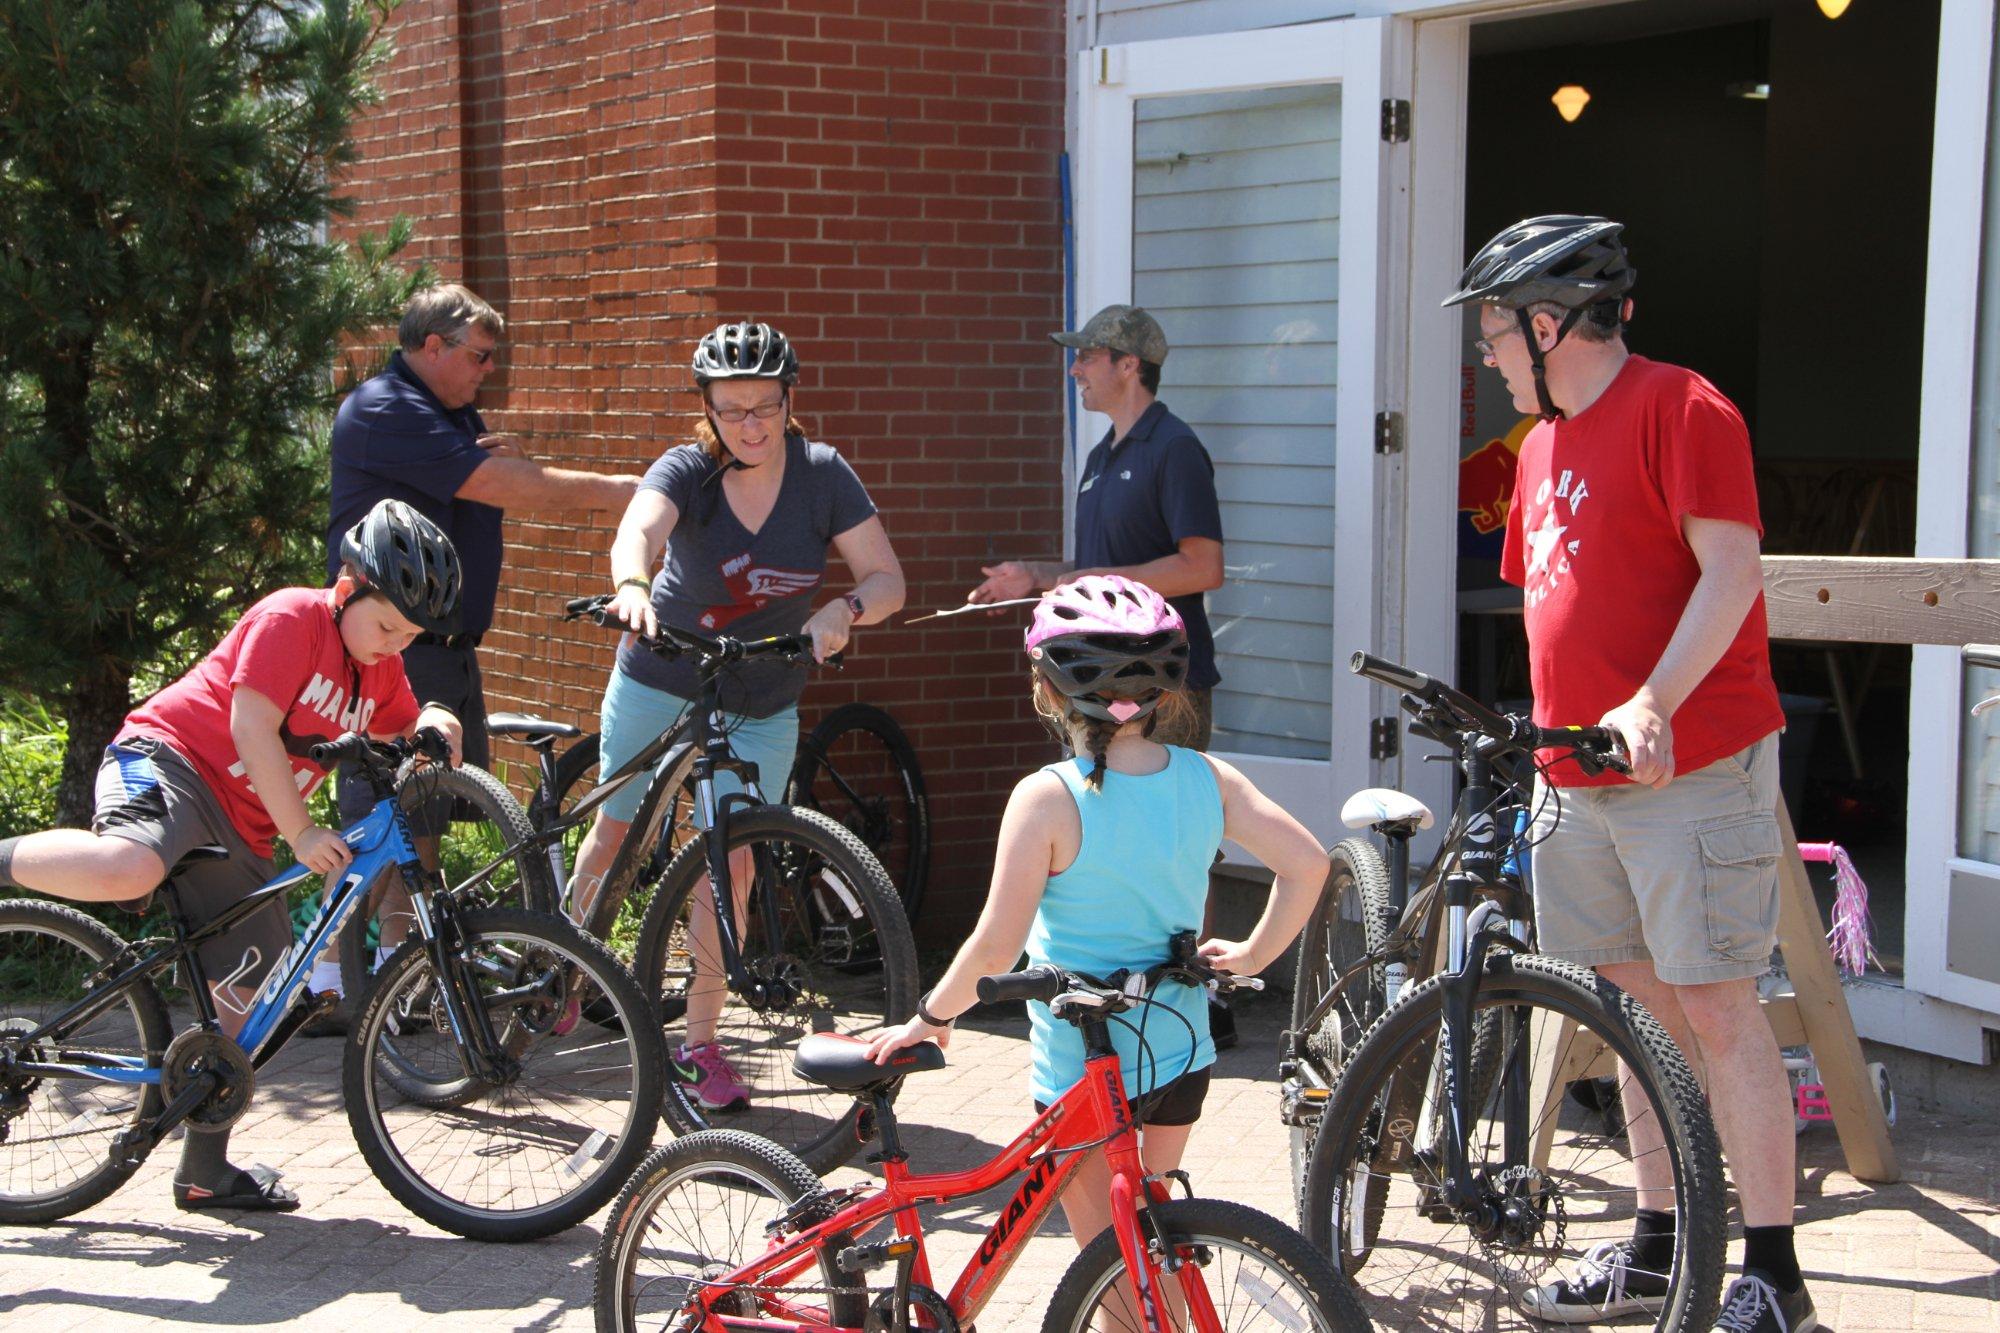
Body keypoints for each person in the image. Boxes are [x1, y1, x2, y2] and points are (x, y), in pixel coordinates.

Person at [1446, 215, 1807, 1333]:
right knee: (1630, 1009)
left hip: (1686, 767)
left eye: (1496, 332)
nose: (1487, 355)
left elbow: (1732, 569)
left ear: (1549, 322)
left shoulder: (1679, 406)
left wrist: (1650, 698)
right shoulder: (1538, 445)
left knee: (1715, 1005)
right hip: (1577, 775)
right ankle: (1657, 1245)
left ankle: (1772, 1277)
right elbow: (1555, 596)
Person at [0, 499, 466, 1212]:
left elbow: (414, 716)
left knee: (258, 1004)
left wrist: (440, 722)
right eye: (385, 625)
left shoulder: (380, 671)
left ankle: (203, 1171)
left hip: (242, 832)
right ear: (348, 587)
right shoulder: (291, 618)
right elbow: (250, 727)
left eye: (409, 635)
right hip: (170, 761)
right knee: (129, 863)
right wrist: (305, 833)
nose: (394, 644)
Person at [865, 575, 1325, 1264]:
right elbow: (1308, 864)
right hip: (1179, 1052)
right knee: (1154, 1242)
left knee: (1112, 1267)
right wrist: (1255, 956)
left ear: (1047, 690)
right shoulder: (1209, 778)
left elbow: (997, 946)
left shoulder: (1046, 799)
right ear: (1165, 691)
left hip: (1081, 1070)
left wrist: (932, 1019)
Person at [567, 319, 905, 1111]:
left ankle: (701, 1045)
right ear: (708, 410)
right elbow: (638, 530)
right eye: (732, 409)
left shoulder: (824, 477)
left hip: (762, 695)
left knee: (733, 858)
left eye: (765, 406)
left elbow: (887, 577)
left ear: (790, 400)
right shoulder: (688, 469)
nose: (751, 424)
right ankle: (564, 964)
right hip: (663, 674)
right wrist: (633, 587)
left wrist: (845, 609)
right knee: (621, 830)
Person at [317, 284, 641, 1009]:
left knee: (421, 820)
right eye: (480, 355)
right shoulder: (388, 407)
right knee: (377, 821)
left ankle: (402, 976)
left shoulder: (451, 413)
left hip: (449, 647)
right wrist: (629, 491)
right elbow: (501, 486)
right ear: (432, 347)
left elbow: (488, 483)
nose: (487, 370)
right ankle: (329, 981)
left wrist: (511, 464)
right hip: (396, 646)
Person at [965, 304, 1237, 1045]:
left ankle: (1194, 991)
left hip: (1166, 684)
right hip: (1094, 685)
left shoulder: (1173, 448)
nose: (1076, 367)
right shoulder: (1100, 455)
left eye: (1089, 355)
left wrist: (1090, 576)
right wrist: (1036, 576)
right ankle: (1109, 988)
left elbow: (1201, 564)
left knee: (1177, 829)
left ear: (1129, 366)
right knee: (1104, 824)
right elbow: (1095, 571)